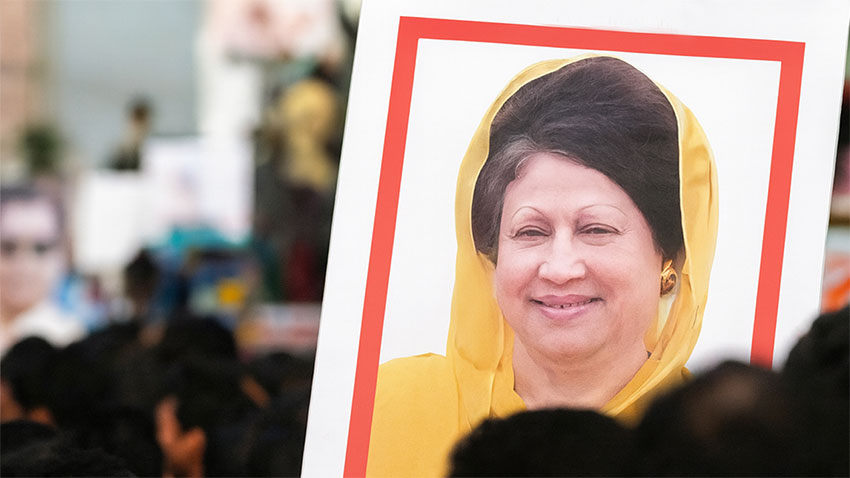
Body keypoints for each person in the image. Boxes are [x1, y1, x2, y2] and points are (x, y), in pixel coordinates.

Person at [366, 55, 718, 476]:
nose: (560, 268)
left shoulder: (723, 444)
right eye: (531, 231)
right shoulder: (382, 410)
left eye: (596, 229)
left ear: (670, 254)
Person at [0, 185, 84, 354]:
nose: (24, 264)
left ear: (63, 254)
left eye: (41, 248)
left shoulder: (70, 342)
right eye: (8, 248)